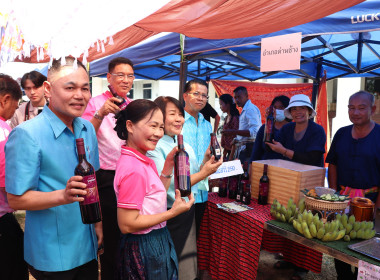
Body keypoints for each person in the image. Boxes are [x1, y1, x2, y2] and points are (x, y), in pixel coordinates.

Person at [5, 57, 102, 280]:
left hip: (86, 244)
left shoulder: (87, 128)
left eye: (85, 88)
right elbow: (16, 199)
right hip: (52, 251)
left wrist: (98, 225)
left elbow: (92, 182)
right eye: (70, 87)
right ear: (48, 89)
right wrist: (63, 195)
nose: (80, 95)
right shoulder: (27, 134)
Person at [113, 99, 195, 279]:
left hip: (153, 240)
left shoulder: (141, 158)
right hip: (144, 246)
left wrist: (166, 169)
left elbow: (151, 198)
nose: (158, 133)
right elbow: (127, 224)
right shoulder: (134, 168)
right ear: (130, 126)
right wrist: (173, 213)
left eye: (160, 127)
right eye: (152, 126)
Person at [147, 96, 222, 280]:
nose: (179, 119)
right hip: (168, 213)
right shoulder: (153, 147)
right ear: (158, 117)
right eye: (172, 114)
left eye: (180, 114)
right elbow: (171, 183)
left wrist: (206, 161)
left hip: (187, 210)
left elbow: (192, 175)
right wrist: (204, 173)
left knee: (186, 263)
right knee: (171, 262)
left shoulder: (183, 143)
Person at [82, 57, 134, 279]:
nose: (125, 80)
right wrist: (100, 113)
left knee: (129, 231)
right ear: (109, 78)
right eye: (120, 75)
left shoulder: (132, 105)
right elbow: (83, 137)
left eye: (130, 76)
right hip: (105, 177)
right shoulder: (94, 104)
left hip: (129, 174)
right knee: (110, 236)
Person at [326, 90, 380, 280]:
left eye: (361, 108)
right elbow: (332, 163)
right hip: (342, 199)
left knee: (364, 246)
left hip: (370, 202)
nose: (355, 112)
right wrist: (334, 194)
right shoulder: (341, 134)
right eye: (351, 108)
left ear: (372, 109)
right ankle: (343, 277)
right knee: (338, 240)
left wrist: (377, 208)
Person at [0, 74, 28, 280]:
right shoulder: (3, 130)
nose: (13, 113)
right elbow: (5, 177)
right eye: (15, 105)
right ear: (5, 99)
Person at [182, 79, 212, 236]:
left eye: (204, 95)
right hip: (183, 190)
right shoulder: (177, 122)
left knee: (195, 235)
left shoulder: (207, 124)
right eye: (196, 94)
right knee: (181, 237)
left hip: (202, 191)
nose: (201, 98)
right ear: (185, 96)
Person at [267, 94, 326, 168]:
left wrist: (285, 151)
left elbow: (312, 159)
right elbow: (270, 146)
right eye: (294, 109)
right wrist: (269, 120)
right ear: (290, 112)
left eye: (302, 108)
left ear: (309, 111)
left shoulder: (317, 130)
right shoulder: (287, 128)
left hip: (310, 176)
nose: (298, 112)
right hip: (289, 174)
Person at [222, 86, 261, 163]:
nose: (237, 100)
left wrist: (233, 132)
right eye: (235, 98)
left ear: (246, 96)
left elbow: (255, 132)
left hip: (248, 150)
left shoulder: (250, 109)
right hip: (243, 149)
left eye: (239, 97)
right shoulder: (245, 109)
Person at [250, 95, 290, 161]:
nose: (277, 110)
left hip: (285, 168)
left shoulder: (293, 129)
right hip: (265, 167)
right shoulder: (265, 128)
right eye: (275, 107)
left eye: (281, 107)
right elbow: (256, 152)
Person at [219, 94, 239, 160]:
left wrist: (230, 157)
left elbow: (236, 139)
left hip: (234, 153)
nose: (220, 107)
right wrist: (224, 153)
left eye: (221, 104)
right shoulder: (227, 117)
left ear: (227, 104)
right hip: (228, 152)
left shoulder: (235, 118)